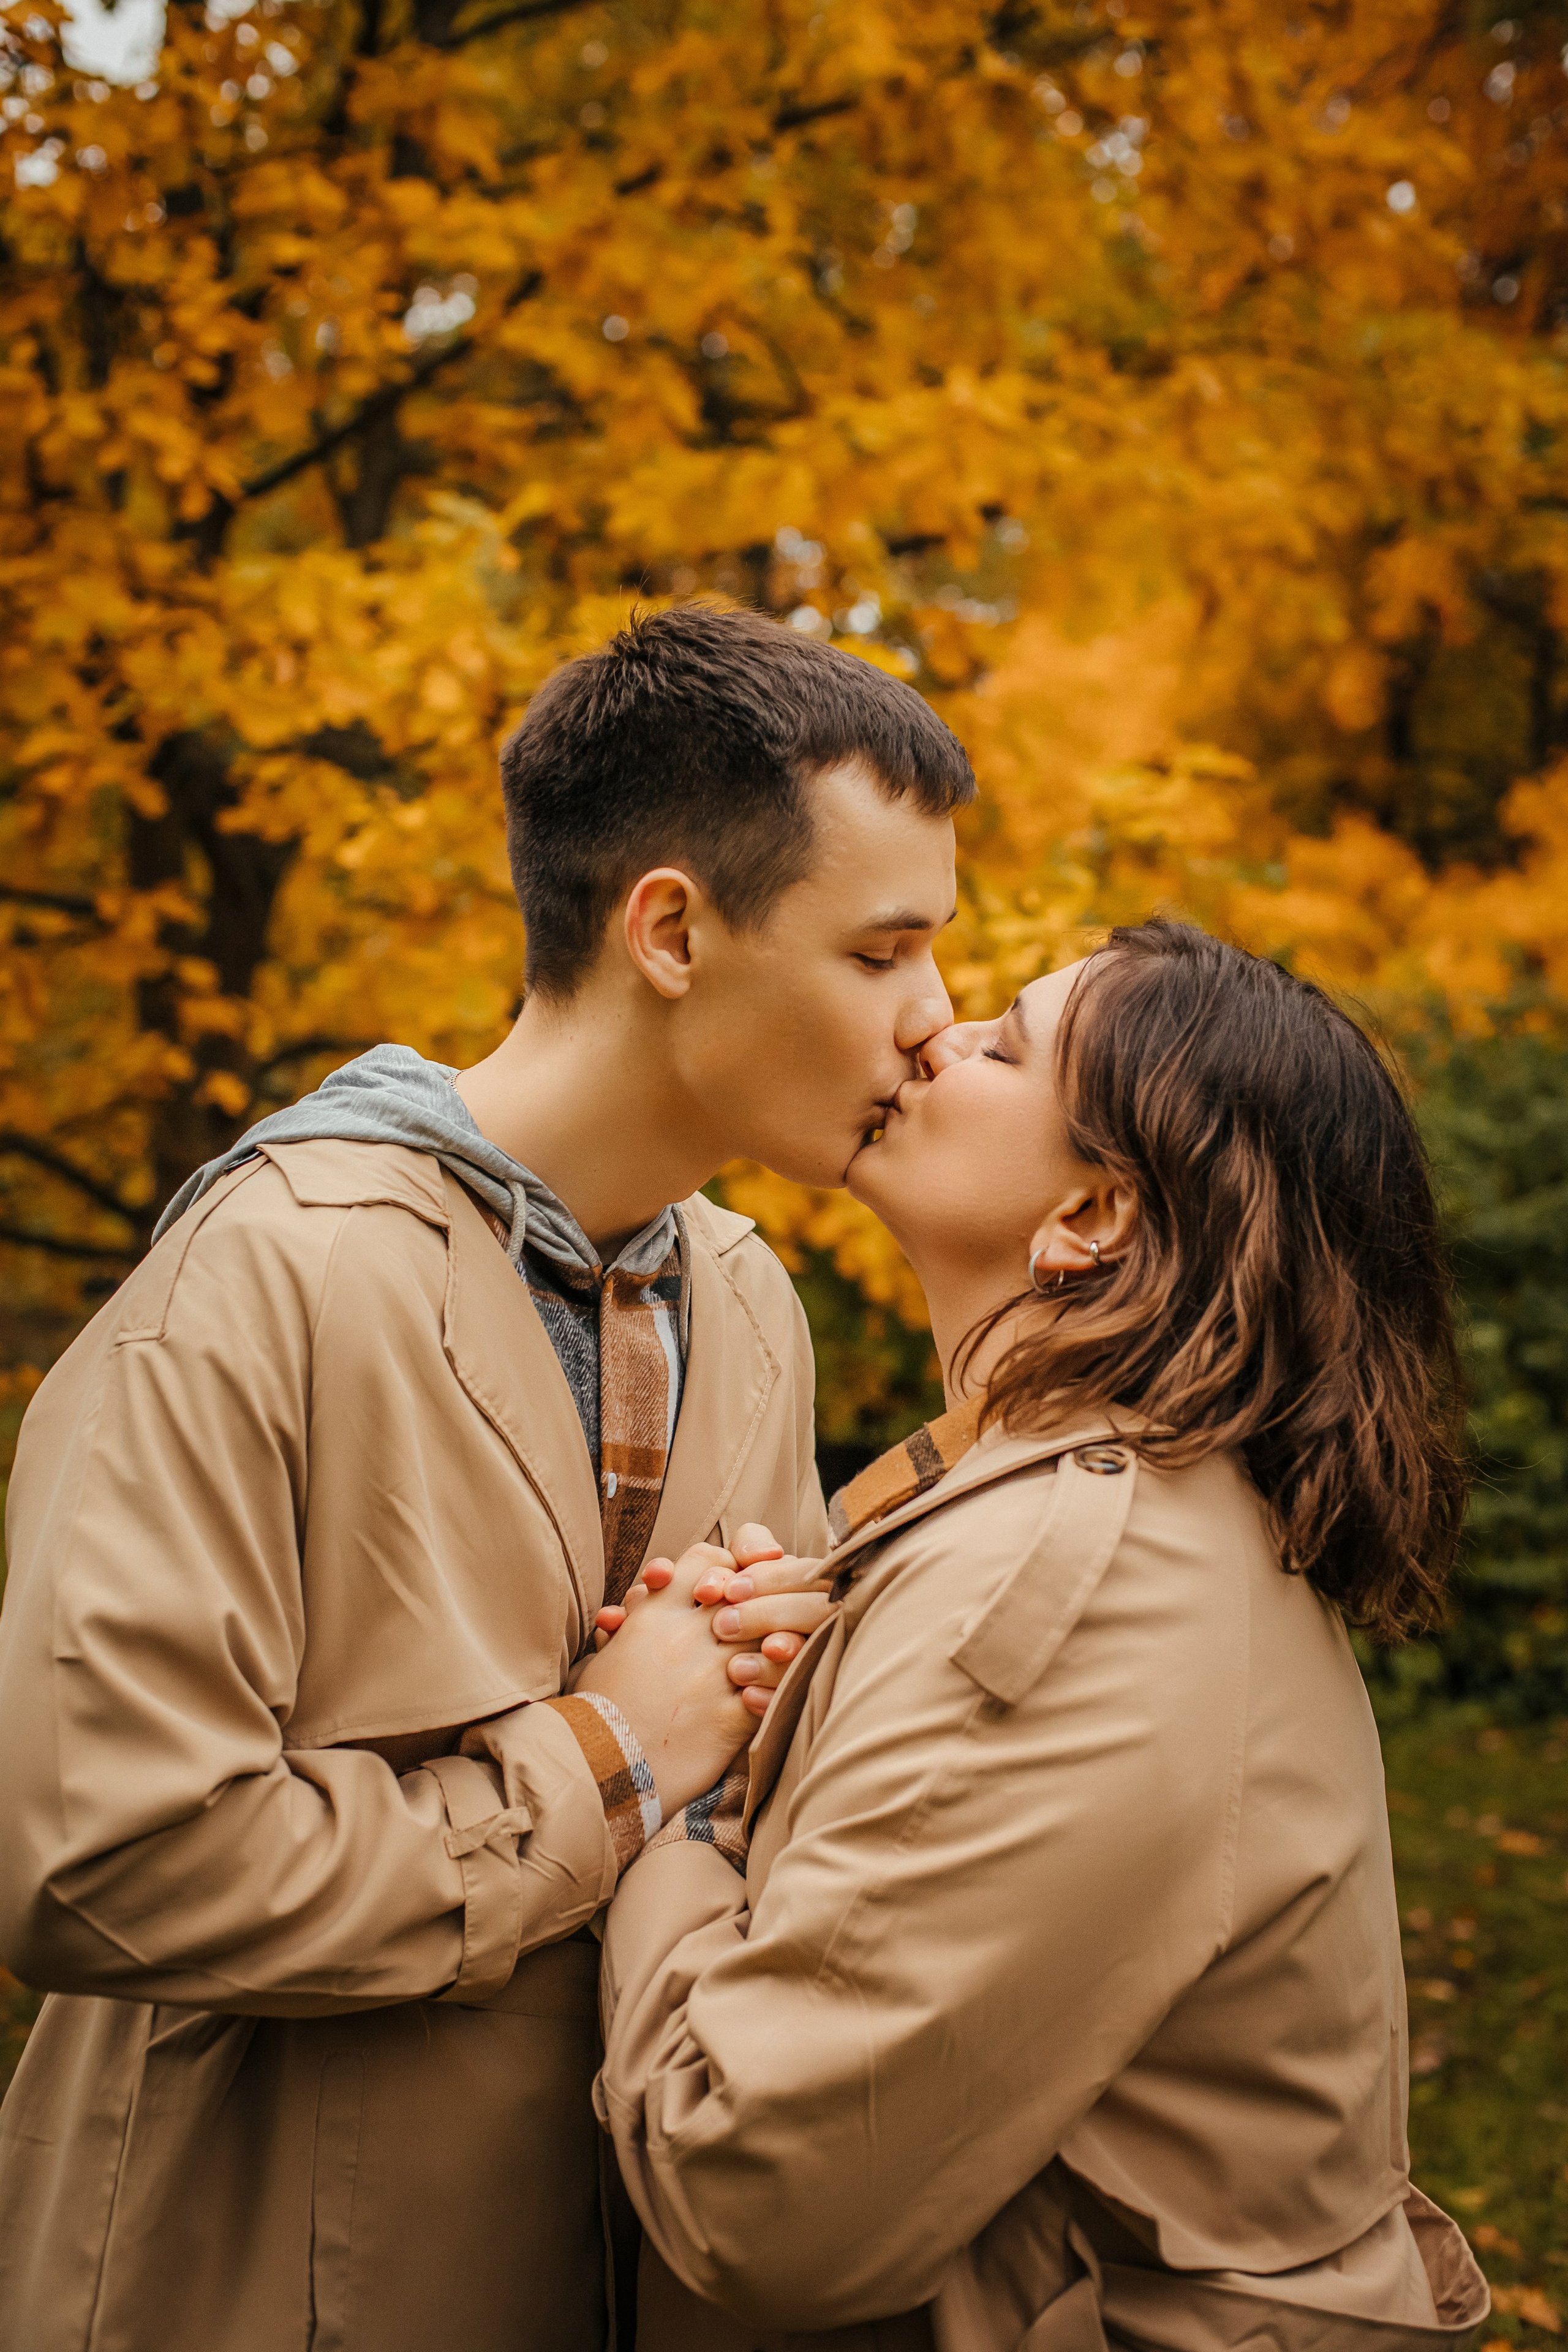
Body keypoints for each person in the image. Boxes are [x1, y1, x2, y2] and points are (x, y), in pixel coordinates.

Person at [0, 605, 974, 2352]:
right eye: (883, 953)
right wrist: (603, 1763)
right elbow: (90, 1865)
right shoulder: (273, 1272)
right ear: (671, 928)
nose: (935, 1023)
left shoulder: (750, 1300)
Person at [596, 919, 1492, 2352]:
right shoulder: (1067, 1509)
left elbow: (751, 2197)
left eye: (1002, 1045)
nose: (930, 1032)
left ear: (1093, 1217)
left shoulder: (1072, 1584)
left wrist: (663, 1797)